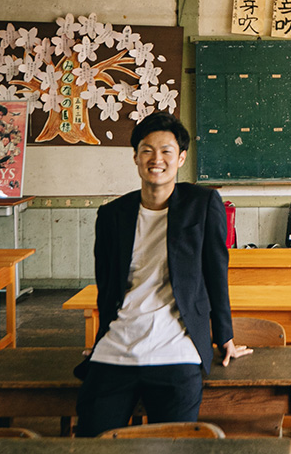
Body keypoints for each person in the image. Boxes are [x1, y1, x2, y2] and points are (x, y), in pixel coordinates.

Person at [75, 111, 250, 437]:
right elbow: (107, 285)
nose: (156, 159)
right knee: (90, 444)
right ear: (136, 157)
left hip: (177, 351)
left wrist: (224, 334)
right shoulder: (112, 215)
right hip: (117, 350)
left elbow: (216, 271)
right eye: (147, 150)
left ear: (181, 158)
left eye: (166, 151)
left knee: (173, 452)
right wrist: (102, 337)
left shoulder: (203, 204)